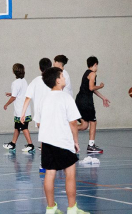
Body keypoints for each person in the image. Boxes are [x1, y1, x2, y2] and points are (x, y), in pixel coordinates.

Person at [39, 67, 89, 214]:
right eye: (62, 75)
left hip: (47, 141)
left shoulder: (44, 98)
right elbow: (73, 122)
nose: (65, 78)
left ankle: (50, 208)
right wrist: (76, 141)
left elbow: (40, 122)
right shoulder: (66, 97)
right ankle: (72, 208)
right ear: (57, 80)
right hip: (63, 141)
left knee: (50, 173)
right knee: (70, 174)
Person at [75, 56, 110, 154]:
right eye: (97, 65)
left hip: (79, 100)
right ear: (95, 64)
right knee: (93, 122)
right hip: (86, 102)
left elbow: (91, 88)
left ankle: (65, 131)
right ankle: (91, 146)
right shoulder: (93, 74)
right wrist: (101, 86)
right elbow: (91, 88)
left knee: (84, 125)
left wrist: (103, 97)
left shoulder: (86, 73)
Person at [3, 63, 34, 153]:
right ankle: (13, 143)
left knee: (24, 127)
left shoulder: (15, 83)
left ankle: (30, 145)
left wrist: (6, 104)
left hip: (21, 111)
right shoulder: (24, 81)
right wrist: (11, 93)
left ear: (13, 71)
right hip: (24, 109)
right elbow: (18, 93)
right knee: (17, 127)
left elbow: (14, 97)